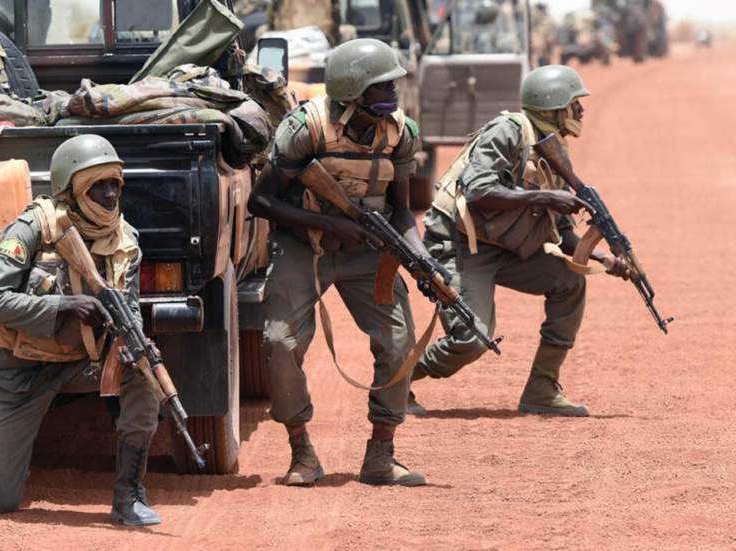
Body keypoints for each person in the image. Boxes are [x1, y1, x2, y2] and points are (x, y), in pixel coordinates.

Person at [248, 38, 427, 487]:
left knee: (398, 344)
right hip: (304, 246)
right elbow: (262, 200)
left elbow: (402, 211)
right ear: (352, 92)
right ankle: (302, 452)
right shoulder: (305, 128)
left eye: (394, 85)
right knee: (281, 342)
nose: (393, 94)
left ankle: (382, 455)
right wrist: (328, 224)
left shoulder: (400, 132)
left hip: (368, 252)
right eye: (381, 87)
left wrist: (421, 257)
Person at [408, 65, 632, 417]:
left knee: (569, 280)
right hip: (460, 243)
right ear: (553, 106)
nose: (581, 111)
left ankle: (542, 389)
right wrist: (542, 197)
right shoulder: (507, 131)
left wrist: (603, 258)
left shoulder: (555, 151)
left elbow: (562, 231)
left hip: (507, 247)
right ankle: (397, 382)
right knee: (470, 340)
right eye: (576, 103)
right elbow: (479, 190)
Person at [0, 134, 161, 526]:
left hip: (81, 363)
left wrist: (130, 344)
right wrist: (65, 306)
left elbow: (132, 308)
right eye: (97, 186)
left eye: (114, 185)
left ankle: (129, 496)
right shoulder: (32, 228)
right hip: (17, 367)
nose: (109, 195)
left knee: (144, 370)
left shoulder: (126, 240)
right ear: (70, 191)